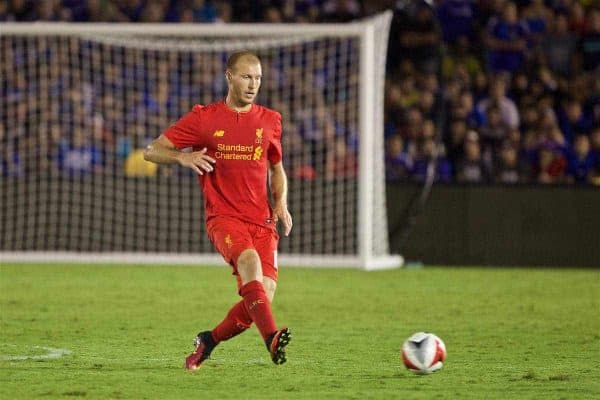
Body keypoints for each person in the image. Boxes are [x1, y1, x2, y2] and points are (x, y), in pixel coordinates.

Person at [143, 51, 293, 370]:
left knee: (260, 299)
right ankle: (272, 339)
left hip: (262, 221)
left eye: (258, 78)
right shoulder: (204, 118)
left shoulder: (271, 120)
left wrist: (280, 202)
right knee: (250, 263)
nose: (253, 84)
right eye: (246, 77)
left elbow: (276, 167)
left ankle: (208, 340)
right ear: (229, 77)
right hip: (223, 218)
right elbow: (152, 150)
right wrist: (182, 157)